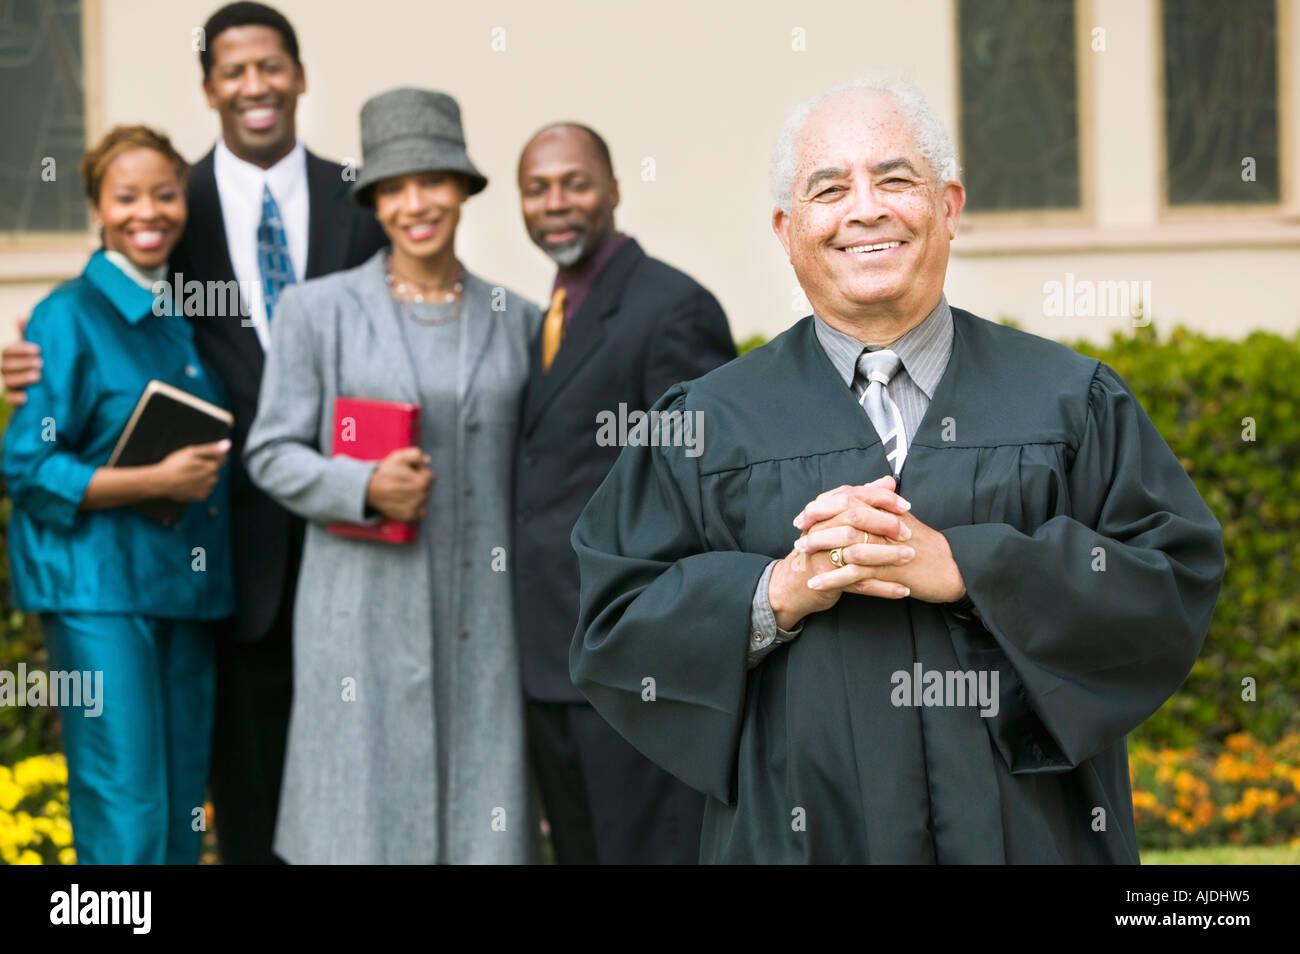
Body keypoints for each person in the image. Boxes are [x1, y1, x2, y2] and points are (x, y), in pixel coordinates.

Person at [568, 78, 1226, 863]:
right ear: (787, 229)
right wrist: (771, 594)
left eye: (895, 179)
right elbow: (614, 622)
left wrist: (971, 568)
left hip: (1028, 836)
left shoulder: (1068, 401)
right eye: (829, 189)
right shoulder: (705, 424)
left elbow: (1170, 579)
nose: (865, 209)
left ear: (948, 206)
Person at [1, 1, 388, 864]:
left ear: (298, 72)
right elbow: (89, 327)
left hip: (298, 551)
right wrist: (35, 343)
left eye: (269, 65)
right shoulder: (148, 242)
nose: (254, 85)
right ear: (208, 86)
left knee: (189, 808)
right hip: (183, 567)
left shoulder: (356, 200)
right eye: (232, 70)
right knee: (151, 804)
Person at [244, 88, 540, 864]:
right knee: (360, 828)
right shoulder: (318, 311)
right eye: (395, 186)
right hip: (360, 621)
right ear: (374, 199)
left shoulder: (520, 319)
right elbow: (270, 450)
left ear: (463, 188)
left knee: (484, 823)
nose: (417, 203)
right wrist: (362, 486)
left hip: (488, 618)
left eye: (434, 180)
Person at [0, 126, 234, 864]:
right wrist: (153, 482)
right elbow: (26, 466)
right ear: (98, 206)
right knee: (124, 810)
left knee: (178, 812)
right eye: (126, 196)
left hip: (182, 590)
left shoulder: (185, 312)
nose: (149, 211)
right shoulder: (65, 317)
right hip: (97, 590)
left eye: (165, 194)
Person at [513, 123, 735, 863]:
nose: (556, 203)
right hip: (546, 659)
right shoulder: (543, 313)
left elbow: (705, 491)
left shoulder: (672, 307)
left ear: (611, 189)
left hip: (629, 664)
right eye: (537, 188)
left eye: (574, 183)